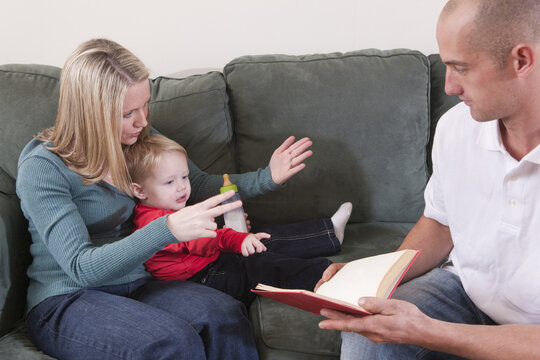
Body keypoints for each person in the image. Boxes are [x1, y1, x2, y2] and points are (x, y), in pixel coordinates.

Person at [16, 38, 317, 360]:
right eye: (128, 112)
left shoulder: (136, 139)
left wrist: (266, 178)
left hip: (136, 282)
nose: (142, 121)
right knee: (170, 342)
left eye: (145, 104)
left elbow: (198, 184)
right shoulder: (43, 169)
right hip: (68, 298)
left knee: (224, 315)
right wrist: (169, 229)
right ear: (90, 113)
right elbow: (81, 268)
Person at [315, 0, 540, 359]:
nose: (450, 86)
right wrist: (377, 274)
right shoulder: (457, 127)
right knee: (369, 332)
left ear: (522, 61)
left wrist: (432, 333)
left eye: (460, 68)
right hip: (466, 290)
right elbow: (440, 222)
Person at [123, 134, 352, 306]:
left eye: (184, 177)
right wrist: (234, 238)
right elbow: (203, 242)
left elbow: (209, 240)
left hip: (210, 264)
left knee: (261, 238)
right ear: (140, 190)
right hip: (202, 280)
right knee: (260, 264)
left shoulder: (166, 208)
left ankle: (329, 232)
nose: (182, 186)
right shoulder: (152, 224)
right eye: (169, 182)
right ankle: (329, 277)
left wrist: (237, 236)